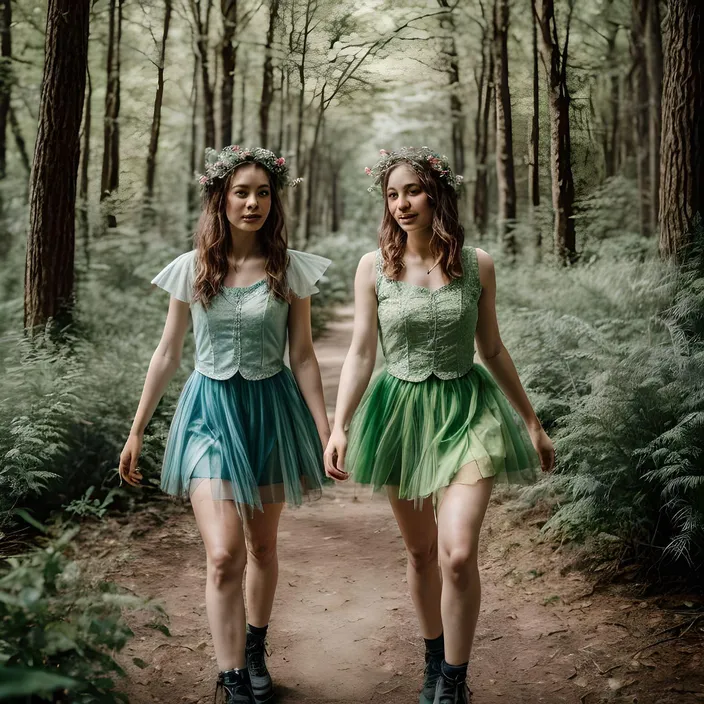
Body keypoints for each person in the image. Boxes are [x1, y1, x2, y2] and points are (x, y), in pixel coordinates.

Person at [324, 147, 555, 704]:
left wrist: (531, 421)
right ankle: (433, 658)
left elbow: (492, 347)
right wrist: (339, 425)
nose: (402, 204)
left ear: (437, 195)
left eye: (412, 191)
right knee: (422, 553)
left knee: (456, 552)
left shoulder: (477, 264)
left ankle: (454, 679)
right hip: (399, 415)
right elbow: (360, 353)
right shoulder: (372, 266)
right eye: (393, 194)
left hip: (468, 412)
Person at [119, 146, 331, 704]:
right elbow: (167, 352)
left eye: (263, 192)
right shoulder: (193, 268)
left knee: (262, 548)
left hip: (271, 412)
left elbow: (304, 356)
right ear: (221, 197)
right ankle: (232, 676)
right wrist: (138, 429)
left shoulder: (289, 269)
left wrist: (327, 428)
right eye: (242, 191)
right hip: (208, 415)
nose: (253, 202)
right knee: (223, 554)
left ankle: (255, 647)